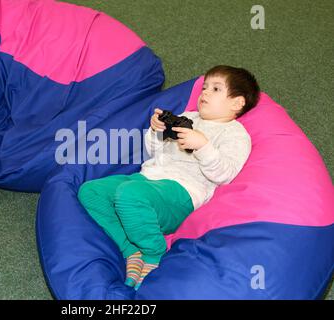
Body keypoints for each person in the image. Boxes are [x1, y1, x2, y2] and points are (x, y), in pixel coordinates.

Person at [78, 65, 260, 290]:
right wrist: (156, 131)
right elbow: (154, 152)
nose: (204, 93)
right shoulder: (187, 117)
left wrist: (202, 145)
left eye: (215, 89)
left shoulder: (235, 133)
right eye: (204, 87)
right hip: (148, 179)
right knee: (90, 191)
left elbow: (224, 174)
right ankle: (130, 250)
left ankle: (153, 252)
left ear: (237, 103)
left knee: (128, 194)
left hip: (182, 193)